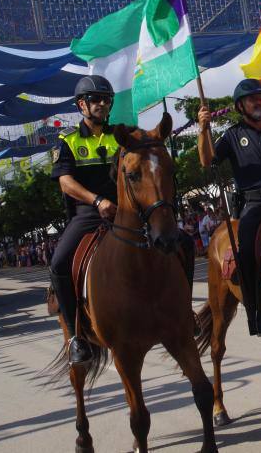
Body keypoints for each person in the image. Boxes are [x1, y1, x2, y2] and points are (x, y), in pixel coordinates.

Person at [49, 75, 196, 365]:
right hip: (89, 214)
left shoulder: (124, 135)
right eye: (95, 99)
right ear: (82, 105)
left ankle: (186, 312)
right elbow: (65, 182)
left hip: (129, 213)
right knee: (59, 263)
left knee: (185, 244)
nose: (103, 104)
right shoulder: (69, 140)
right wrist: (97, 201)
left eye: (106, 99)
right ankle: (76, 336)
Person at [198, 78, 261, 336]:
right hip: (253, 204)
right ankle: (255, 313)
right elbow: (207, 160)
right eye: (252, 99)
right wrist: (203, 129)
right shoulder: (231, 136)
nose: (258, 102)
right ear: (241, 106)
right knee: (247, 253)